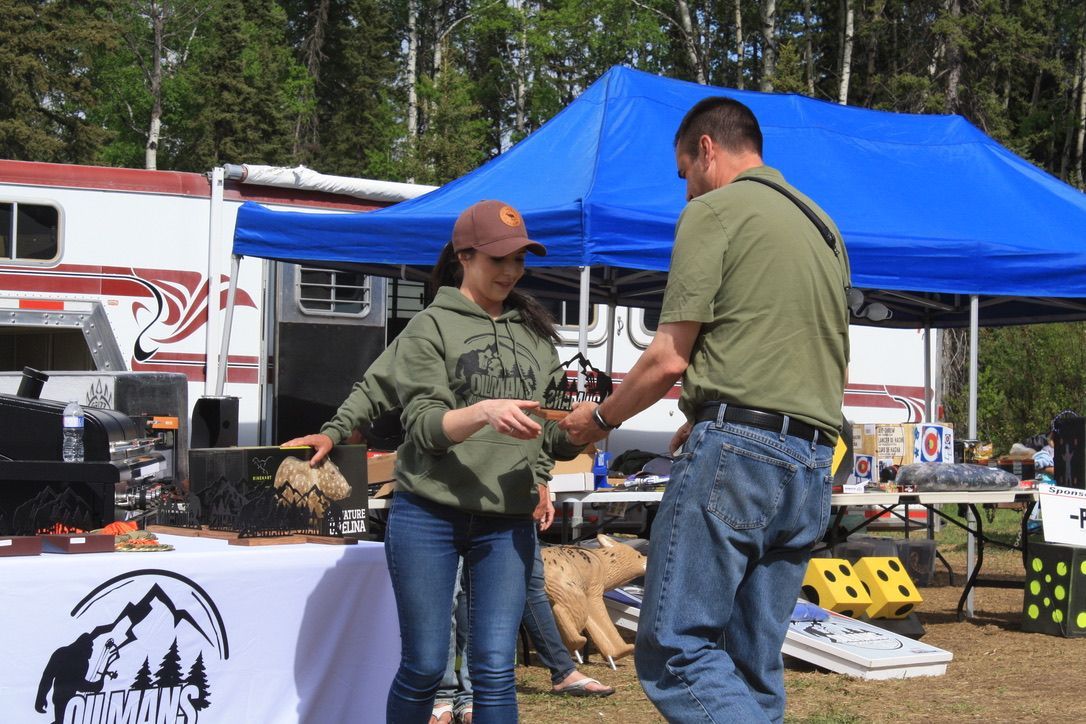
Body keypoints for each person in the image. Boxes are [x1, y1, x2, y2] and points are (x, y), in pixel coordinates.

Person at [560, 97, 850, 723]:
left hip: (741, 457)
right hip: (812, 462)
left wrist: (600, 420)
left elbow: (666, 357)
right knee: (753, 662)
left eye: (684, 173)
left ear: (707, 150)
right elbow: (805, 345)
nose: (685, 191)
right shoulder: (823, 225)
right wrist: (721, 398)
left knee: (676, 650)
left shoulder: (713, 211)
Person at [286, 199, 584, 723]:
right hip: (429, 515)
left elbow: (551, 430)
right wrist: (336, 430)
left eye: (520, 260)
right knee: (425, 666)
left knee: (494, 670)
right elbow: (420, 424)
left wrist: (584, 431)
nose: (512, 271)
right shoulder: (430, 327)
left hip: (506, 523)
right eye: (499, 260)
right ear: (464, 256)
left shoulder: (537, 338)